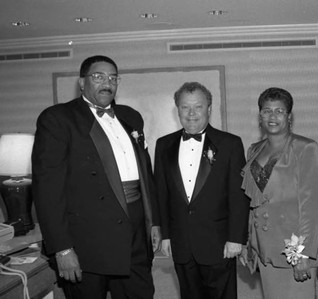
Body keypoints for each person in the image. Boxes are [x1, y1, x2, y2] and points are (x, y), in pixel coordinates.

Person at [32, 55, 161, 298]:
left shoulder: (131, 117)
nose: (107, 83)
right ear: (82, 83)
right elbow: (47, 191)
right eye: (98, 76)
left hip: (134, 234)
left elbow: (146, 175)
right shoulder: (58, 119)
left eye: (113, 78)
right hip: (88, 240)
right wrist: (62, 249)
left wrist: (153, 221)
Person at [154, 82, 249, 299]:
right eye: (185, 107)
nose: (191, 113)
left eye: (198, 107)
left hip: (219, 242)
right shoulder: (163, 145)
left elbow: (238, 196)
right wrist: (166, 236)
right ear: (177, 109)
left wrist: (236, 238)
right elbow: (162, 194)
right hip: (181, 242)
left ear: (209, 109)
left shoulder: (230, 144)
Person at [239, 87, 318, 298]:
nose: (272, 116)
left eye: (279, 111)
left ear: (289, 116)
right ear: (260, 116)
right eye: (267, 111)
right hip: (265, 248)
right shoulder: (254, 149)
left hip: (293, 250)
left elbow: (310, 207)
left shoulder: (305, 148)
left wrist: (299, 255)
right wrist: (248, 242)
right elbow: (252, 202)